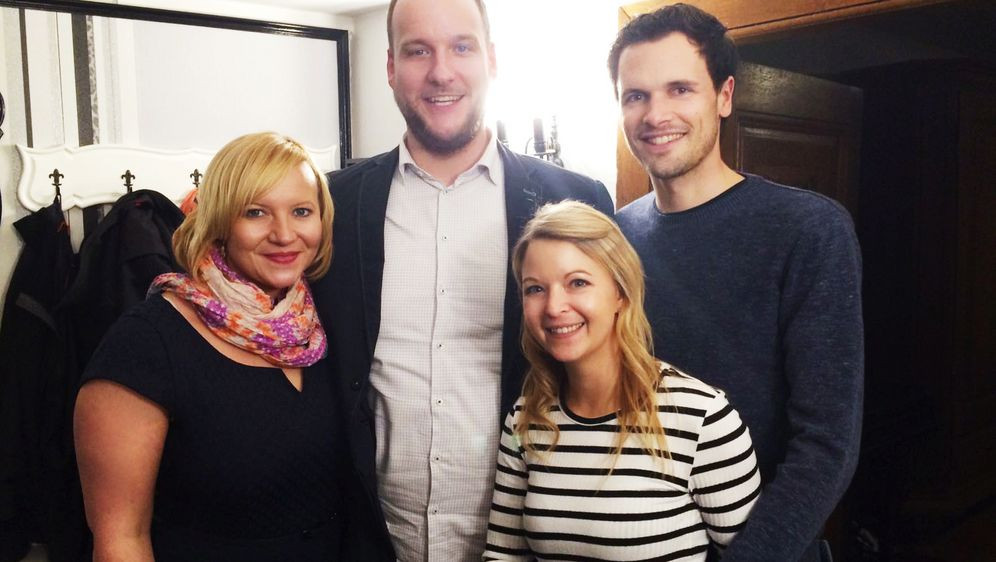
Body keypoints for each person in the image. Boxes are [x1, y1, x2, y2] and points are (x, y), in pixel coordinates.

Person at [309, 0, 614, 559]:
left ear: (492, 60)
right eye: (418, 50)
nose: (441, 71)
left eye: (461, 47)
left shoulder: (574, 200)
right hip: (372, 539)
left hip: (529, 538)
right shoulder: (333, 204)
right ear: (390, 68)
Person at [609, 5, 864, 561]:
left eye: (680, 89)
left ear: (724, 97)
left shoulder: (808, 229)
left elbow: (827, 445)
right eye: (636, 95)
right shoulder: (612, 239)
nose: (656, 114)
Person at [74, 132, 345, 561]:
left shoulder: (323, 326)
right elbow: (120, 540)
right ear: (220, 220)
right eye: (255, 212)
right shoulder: (148, 343)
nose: (284, 233)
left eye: (301, 211)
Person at [483, 200, 761, 560]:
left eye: (577, 282)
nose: (553, 307)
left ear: (620, 293)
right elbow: (503, 556)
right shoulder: (526, 418)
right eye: (535, 288)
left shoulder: (700, 417)